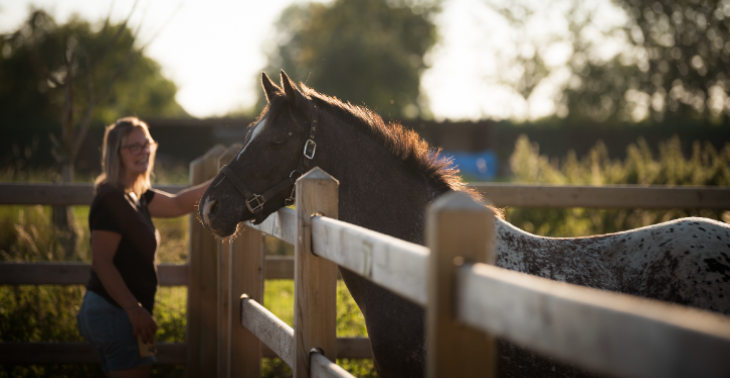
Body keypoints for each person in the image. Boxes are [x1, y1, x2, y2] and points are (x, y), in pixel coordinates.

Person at [76, 117, 212, 377]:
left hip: (118, 312)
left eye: (147, 144)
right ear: (117, 154)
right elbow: (101, 262)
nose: (144, 151)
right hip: (115, 311)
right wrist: (134, 310)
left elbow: (179, 204)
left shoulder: (135, 195)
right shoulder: (112, 199)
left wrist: (228, 180)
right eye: (134, 147)